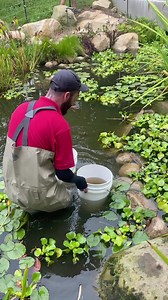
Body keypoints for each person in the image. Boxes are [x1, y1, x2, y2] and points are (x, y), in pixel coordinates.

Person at [3, 69, 89, 213]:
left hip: (13, 191)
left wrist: (62, 108)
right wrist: (80, 181)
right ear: (67, 95)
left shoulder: (21, 109)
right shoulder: (60, 126)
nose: (76, 101)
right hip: (39, 199)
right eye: (76, 97)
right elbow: (63, 174)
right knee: (69, 198)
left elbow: (38, 128)